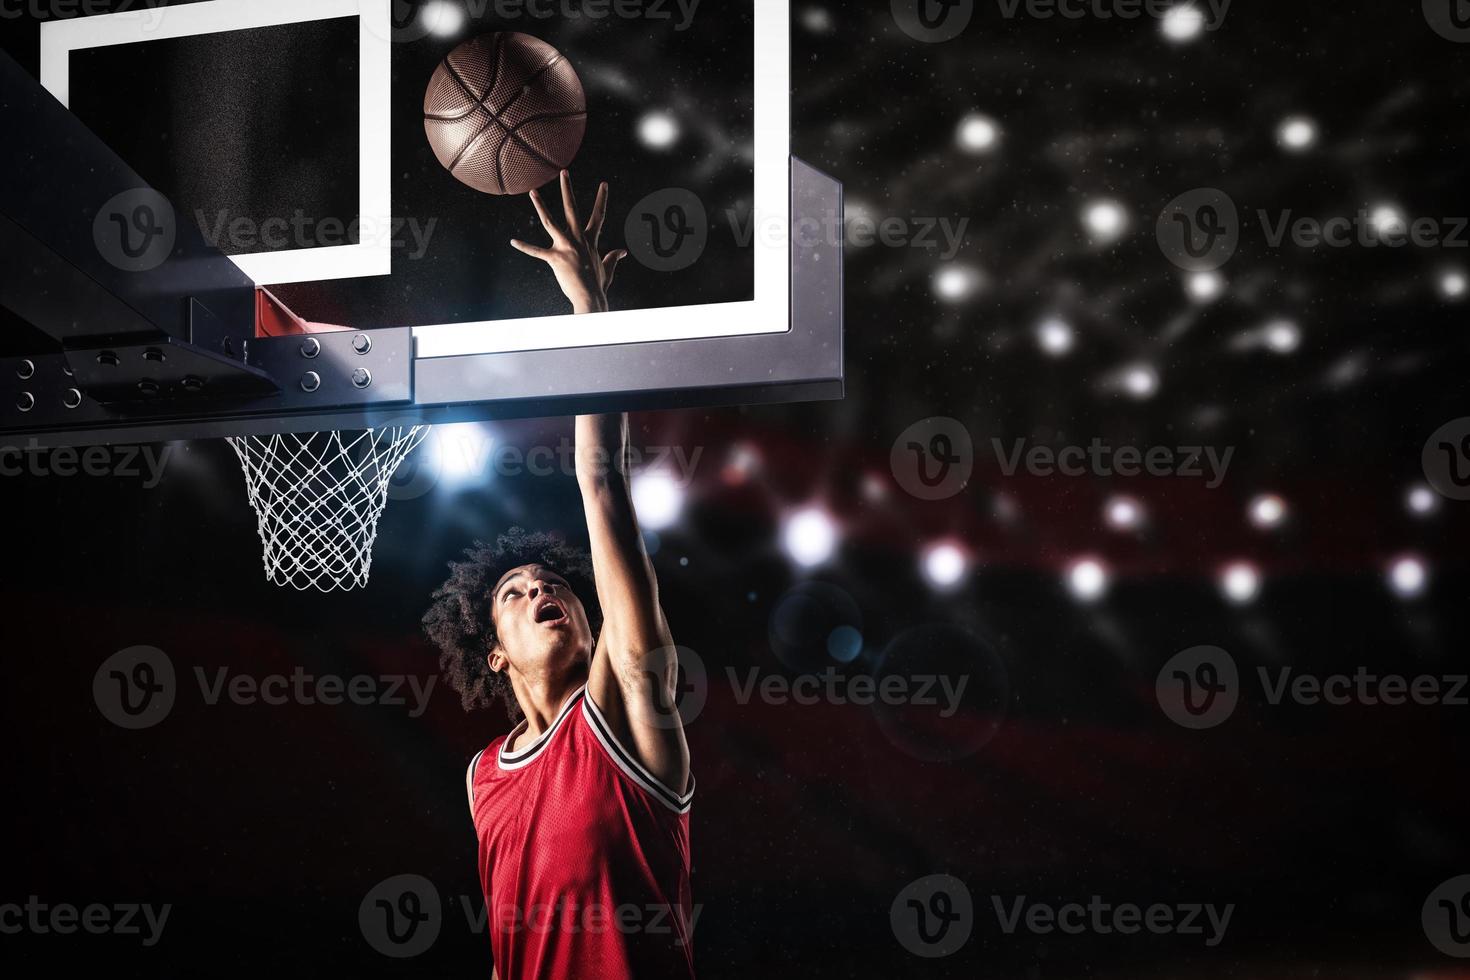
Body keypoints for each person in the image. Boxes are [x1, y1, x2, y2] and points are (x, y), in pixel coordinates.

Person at [423, 172, 696, 979]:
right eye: (514, 592)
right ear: (492, 654)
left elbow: (602, 484)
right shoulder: (482, 779)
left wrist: (590, 313)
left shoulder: (627, 700)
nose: (542, 589)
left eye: (555, 584)